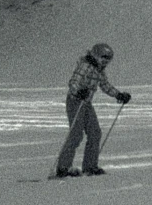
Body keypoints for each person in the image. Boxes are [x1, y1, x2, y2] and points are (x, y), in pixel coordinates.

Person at [55, 41, 130, 176]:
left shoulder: (99, 70)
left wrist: (119, 95)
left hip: (86, 103)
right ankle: (63, 167)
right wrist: (78, 91)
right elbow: (74, 82)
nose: (105, 62)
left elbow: (105, 85)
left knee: (95, 132)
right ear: (96, 55)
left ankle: (90, 166)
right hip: (75, 101)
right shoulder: (85, 66)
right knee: (76, 134)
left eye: (108, 60)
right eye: (103, 58)